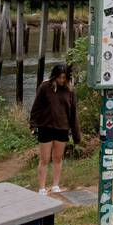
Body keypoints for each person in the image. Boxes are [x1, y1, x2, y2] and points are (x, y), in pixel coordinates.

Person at [28, 63, 81, 195]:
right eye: (59, 78)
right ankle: (42, 188)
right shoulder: (45, 87)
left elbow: (73, 114)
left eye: (64, 78)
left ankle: (55, 185)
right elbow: (36, 107)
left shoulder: (70, 90)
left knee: (58, 158)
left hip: (62, 128)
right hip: (46, 127)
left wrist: (76, 135)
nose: (62, 80)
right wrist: (33, 124)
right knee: (44, 159)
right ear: (54, 76)